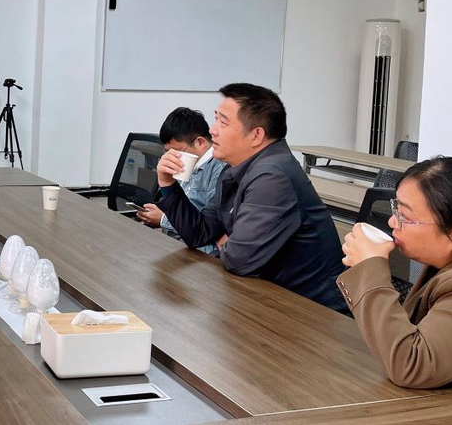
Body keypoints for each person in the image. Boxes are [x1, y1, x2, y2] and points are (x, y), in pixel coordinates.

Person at [154, 83, 347, 313]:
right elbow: (200, 233)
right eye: (215, 119)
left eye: (223, 122)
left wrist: (229, 243)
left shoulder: (273, 176)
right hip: (268, 299)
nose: (212, 130)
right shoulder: (235, 168)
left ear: (256, 135)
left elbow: (238, 260)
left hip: (310, 313)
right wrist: (168, 184)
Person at [340, 157, 452, 389]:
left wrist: (368, 268)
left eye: (405, 217)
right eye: (396, 209)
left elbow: (411, 365)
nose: (392, 221)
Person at [135, 107, 226, 254]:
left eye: (177, 151)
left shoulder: (220, 169)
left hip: (199, 252)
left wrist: (163, 219)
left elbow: (207, 229)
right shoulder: (188, 162)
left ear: (200, 142)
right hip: (175, 243)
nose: (173, 156)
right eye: (168, 151)